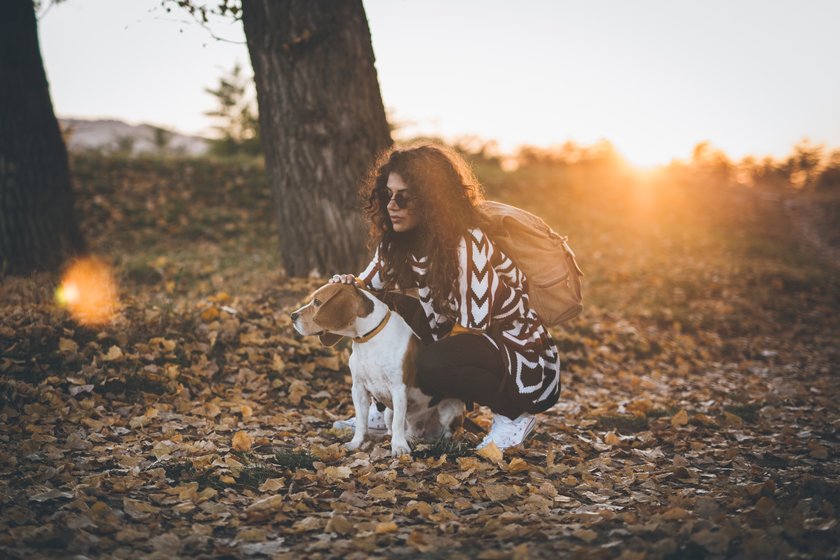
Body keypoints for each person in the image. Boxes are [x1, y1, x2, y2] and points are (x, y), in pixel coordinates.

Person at [331, 143, 561, 450]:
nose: (392, 205)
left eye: (405, 196)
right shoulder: (398, 242)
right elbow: (367, 287)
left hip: (517, 350)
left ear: (432, 199)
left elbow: (474, 323)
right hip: (463, 335)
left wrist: (420, 355)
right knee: (384, 303)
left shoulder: (468, 242)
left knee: (434, 362)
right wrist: (347, 284)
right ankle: (384, 408)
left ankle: (512, 416)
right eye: (388, 194)